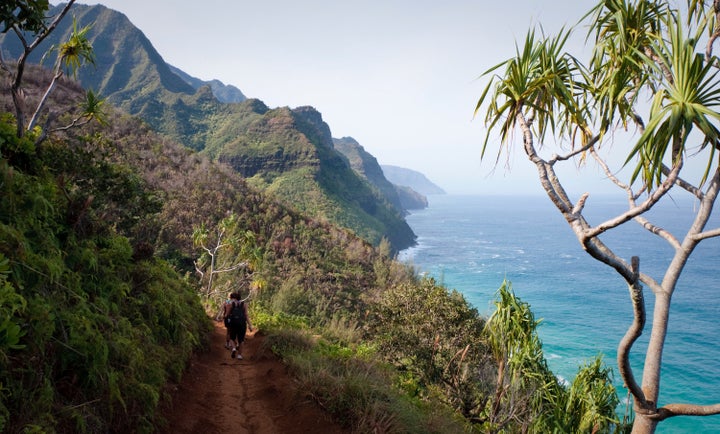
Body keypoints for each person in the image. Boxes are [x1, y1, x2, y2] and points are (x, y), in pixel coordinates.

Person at [223, 291, 253, 360]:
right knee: (241, 340)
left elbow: (227, 314)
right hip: (242, 324)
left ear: (233, 298)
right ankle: (239, 355)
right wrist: (250, 325)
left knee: (231, 338)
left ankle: (233, 348)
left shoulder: (230, 304)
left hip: (233, 323)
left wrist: (224, 318)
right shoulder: (244, 304)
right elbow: (246, 315)